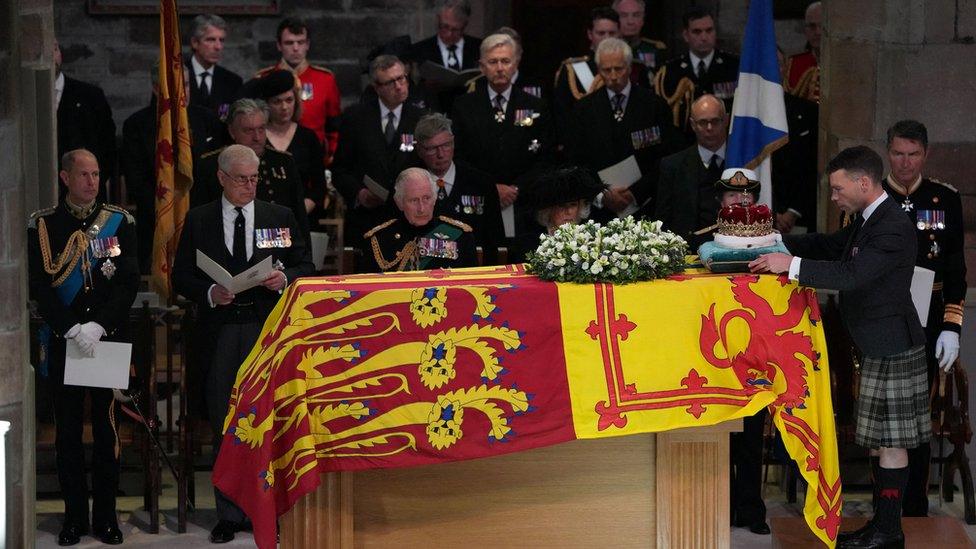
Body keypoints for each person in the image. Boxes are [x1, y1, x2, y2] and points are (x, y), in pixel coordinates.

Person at [750, 146, 928, 549]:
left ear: (863, 183)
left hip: (893, 346)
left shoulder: (892, 226)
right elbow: (832, 246)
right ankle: (883, 527)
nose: (833, 197)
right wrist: (779, 242)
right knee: (883, 441)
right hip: (877, 344)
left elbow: (852, 274)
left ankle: (888, 531)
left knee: (892, 442)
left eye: (837, 188)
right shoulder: (869, 219)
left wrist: (789, 267)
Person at [172, 144, 314, 543]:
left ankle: (269, 508)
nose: (249, 186)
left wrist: (283, 279)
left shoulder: (278, 216)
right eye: (241, 179)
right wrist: (210, 292)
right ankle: (230, 512)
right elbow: (181, 275)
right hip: (219, 331)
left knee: (269, 418)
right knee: (225, 420)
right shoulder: (199, 220)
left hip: (265, 329)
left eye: (254, 179)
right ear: (221, 177)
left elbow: (305, 264)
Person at [28, 149, 139, 546]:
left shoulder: (119, 222)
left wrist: (98, 324)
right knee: (68, 433)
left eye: (96, 174)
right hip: (65, 342)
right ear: (65, 177)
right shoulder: (44, 225)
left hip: (105, 340)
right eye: (84, 174)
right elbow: (40, 287)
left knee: (108, 432)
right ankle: (73, 518)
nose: (92, 181)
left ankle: (106, 518)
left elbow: (127, 282)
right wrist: (73, 327)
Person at [882, 120, 967, 517]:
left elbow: (956, 270)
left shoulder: (944, 200)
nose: (905, 163)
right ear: (888, 152)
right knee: (884, 414)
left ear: (925, 154)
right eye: (898, 153)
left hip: (929, 317)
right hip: (881, 318)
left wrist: (952, 326)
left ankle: (914, 505)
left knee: (919, 411)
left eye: (913, 154)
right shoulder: (872, 195)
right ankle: (885, 506)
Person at [451, 33, 555, 263]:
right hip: (479, 206)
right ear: (482, 66)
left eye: (505, 61)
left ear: (516, 63)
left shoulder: (535, 105)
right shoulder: (463, 106)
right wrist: (491, 188)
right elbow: (458, 157)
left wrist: (516, 188)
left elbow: (546, 158)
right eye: (493, 62)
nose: (500, 68)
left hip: (523, 205)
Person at [122, 61, 225, 273]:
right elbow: (136, 180)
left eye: (185, 85)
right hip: (156, 221)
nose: (182, 92)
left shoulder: (207, 120)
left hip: (203, 219)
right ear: (156, 88)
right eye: (174, 86)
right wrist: (166, 214)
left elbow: (216, 173)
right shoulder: (137, 125)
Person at [569, 37, 677, 223]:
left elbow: (666, 157)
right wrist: (602, 194)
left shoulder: (654, 105)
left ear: (629, 68)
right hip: (600, 211)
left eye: (618, 68)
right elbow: (576, 161)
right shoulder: (583, 110)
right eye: (606, 70)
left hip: (646, 206)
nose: (613, 75)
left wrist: (635, 193)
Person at [331, 54, 427, 259]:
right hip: (367, 222)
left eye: (402, 78)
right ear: (376, 87)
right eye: (391, 82)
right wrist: (359, 194)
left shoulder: (421, 119)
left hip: (408, 220)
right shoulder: (356, 117)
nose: (400, 86)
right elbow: (340, 170)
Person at [192, 98, 311, 243]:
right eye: (248, 130)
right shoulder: (211, 165)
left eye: (261, 129)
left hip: (277, 248)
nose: (257, 137)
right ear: (232, 131)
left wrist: (304, 261)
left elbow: (300, 219)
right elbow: (200, 219)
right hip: (226, 245)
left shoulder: (284, 162)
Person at [414, 112, 503, 265]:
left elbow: (495, 240)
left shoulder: (481, 183)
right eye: (432, 149)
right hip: (424, 271)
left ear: (453, 143)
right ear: (420, 150)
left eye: (446, 145)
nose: (441, 154)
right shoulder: (410, 185)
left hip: (472, 269)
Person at [254, 17, 342, 165]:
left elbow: (335, 127)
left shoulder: (325, 79)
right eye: (289, 43)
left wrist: (331, 155)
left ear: (307, 44)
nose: (295, 48)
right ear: (279, 45)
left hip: (314, 159)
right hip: (273, 156)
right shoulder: (264, 78)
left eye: (300, 42)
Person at [243, 70, 327, 220]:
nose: (284, 107)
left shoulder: (308, 138)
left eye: (289, 100)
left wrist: (299, 212)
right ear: (266, 105)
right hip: (261, 218)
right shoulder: (256, 137)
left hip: (301, 217)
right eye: (277, 101)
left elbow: (319, 186)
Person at [361, 167, 476, 272]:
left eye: (426, 198)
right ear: (399, 203)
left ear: (434, 199)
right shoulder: (380, 240)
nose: (421, 208)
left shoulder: (460, 237)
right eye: (414, 200)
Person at [654, 94, 729, 250]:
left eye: (715, 121)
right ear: (693, 125)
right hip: (688, 256)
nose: (709, 128)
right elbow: (662, 221)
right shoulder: (672, 166)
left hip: (738, 253)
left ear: (726, 120)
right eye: (703, 122)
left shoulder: (746, 162)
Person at [653, 7, 739, 142]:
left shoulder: (733, 67)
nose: (704, 37)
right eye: (697, 32)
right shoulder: (670, 72)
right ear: (686, 35)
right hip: (684, 146)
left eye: (709, 30)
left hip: (727, 143)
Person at [55, 40, 117, 202]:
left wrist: (90, 182)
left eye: (54, 48)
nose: (50, 56)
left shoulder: (90, 96)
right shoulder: (23, 101)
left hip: (88, 200)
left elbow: (108, 147)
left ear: (60, 54)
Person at [552, 7, 620, 145]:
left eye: (611, 33)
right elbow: (562, 116)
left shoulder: (634, 69)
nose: (607, 39)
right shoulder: (572, 70)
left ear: (619, 34)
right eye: (601, 33)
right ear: (590, 34)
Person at [514, 166, 606, 257]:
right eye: (562, 205)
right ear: (548, 210)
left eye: (573, 205)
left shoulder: (592, 240)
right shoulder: (530, 244)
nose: (569, 211)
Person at [411, 0, 483, 114]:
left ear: (464, 25)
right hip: (433, 115)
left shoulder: (479, 48)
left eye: (455, 29)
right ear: (438, 19)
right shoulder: (420, 49)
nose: (449, 33)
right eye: (444, 26)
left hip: (471, 114)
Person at [185, 14, 243, 120]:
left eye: (221, 40)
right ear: (194, 43)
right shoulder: (174, 77)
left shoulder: (232, 82)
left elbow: (231, 121)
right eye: (211, 40)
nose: (218, 47)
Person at [464, 27, 546, 100]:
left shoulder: (532, 85)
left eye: (505, 59)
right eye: (493, 61)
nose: (500, 67)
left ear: (519, 54)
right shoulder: (478, 85)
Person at [612, 0, 668, 88]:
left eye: (636, 15)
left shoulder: (655, 49)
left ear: (643, 20)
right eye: (624, 16)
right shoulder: (607, 50)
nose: (630, 22)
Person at [784, 1, 821, 103]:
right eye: (812, 26)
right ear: (805, 30)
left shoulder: (842, 66)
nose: (818, 32)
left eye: (822, 26)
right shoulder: (794, 63)